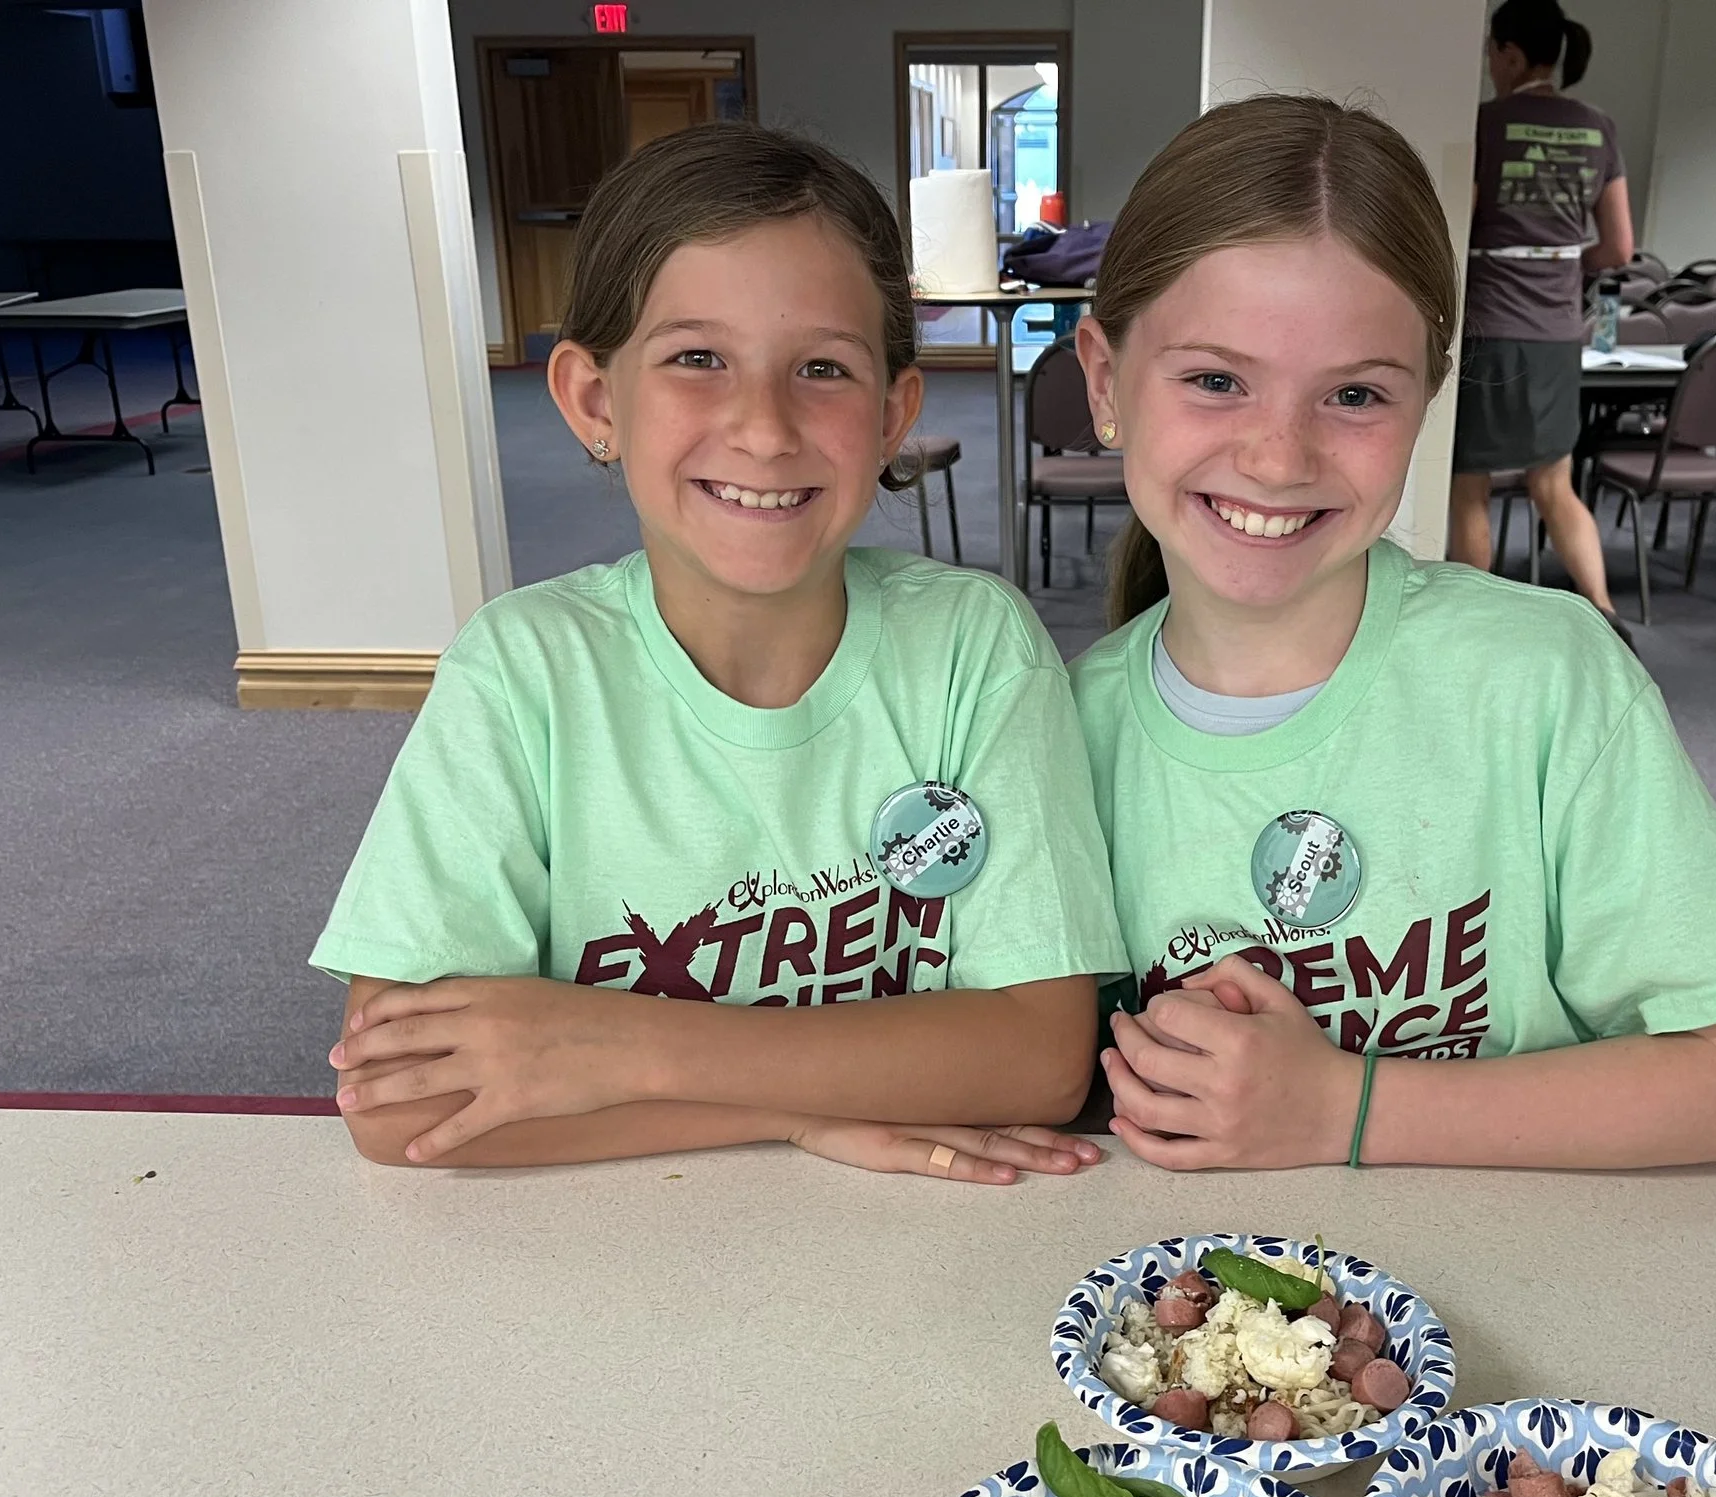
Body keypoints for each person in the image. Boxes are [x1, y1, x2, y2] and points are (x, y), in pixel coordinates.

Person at [314, 122, 1125, 1181]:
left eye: (822, 369)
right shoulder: (523, 672)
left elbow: (1037, 1057)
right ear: (597, 401)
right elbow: (402, 1102)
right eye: (698, 358)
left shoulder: (972, 647)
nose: (762, 427)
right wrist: (792, 1115)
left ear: (891, 414)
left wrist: (608, 1047)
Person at [1069, 95, 1716, 1172]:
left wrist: (1341, 1109)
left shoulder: (1541, 682)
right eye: (1216, 380)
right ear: (1105, 380)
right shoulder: (1056, 733)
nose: (1279, 459)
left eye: (1355, 394)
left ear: (1426, 402)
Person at [1446, 0, 1631, 621]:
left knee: (1468, 484)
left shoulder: (1488, 125)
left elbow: (1459, 226)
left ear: (1512, 55)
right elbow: (1619, 247)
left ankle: (1473, 622)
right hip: (1558, 333)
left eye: (1491, 55)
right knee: (1554, 484)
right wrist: (1562, 262)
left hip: (1490, 329)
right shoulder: (1597, 126)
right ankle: (1604, 614)